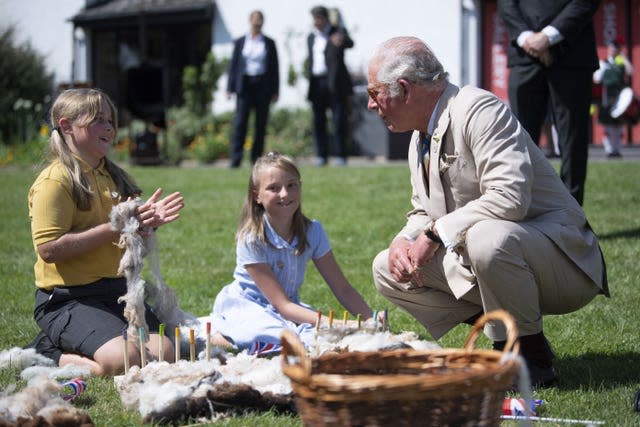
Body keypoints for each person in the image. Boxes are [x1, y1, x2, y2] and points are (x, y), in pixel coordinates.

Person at [366, 37, 609, 388]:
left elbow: (511, 197)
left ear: (404, 89)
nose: (370, 104)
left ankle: (531, 361)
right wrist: (404, 239)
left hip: (566, 262)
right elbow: (422, 210)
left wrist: (433, 234)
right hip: (499, 258)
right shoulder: (419, 137)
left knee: (485, 239)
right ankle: (517, 339)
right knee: (387, 268)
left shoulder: (478, 109)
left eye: (375, 92)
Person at [26, 88, 184, 376]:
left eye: (110, 120)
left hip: (118, 293)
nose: (109, 128)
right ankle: (45, 349)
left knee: (167, 352)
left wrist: (145, 224)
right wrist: (115, 228)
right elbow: (49, 249)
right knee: (120, 361)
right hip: (69, 298)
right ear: (66, 126)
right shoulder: (55, 181)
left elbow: (126, 237)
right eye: (98, 120)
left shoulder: (116, 176)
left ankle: (87, 343)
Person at [211, 152, 375, 354]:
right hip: (249, 306)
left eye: (291, 185)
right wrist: (338, 323)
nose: (285, 194)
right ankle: (220, 337)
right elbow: (282, 304)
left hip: (288, 306)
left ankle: (242, 335)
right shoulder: (252, 238)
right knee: (283, 338)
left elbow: (343, 289)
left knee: (315, 338)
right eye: (273, 188)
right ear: (257, 196)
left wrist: (371, 319)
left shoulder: (313, 231)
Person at [498, 0, 600, 205]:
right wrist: (529, 39)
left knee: (573, 139)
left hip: (573, 52)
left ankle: (571, 218)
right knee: (520, 140)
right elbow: (507, 3)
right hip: (524, 56)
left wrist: (548, 37)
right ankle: (525, 211)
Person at [227, 10, 279, 168]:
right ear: (250, 21)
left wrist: (276, 90)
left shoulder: (269, 43)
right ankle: (236, 159)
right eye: (255, 20)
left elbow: (275, 68)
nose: (257, 23)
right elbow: (234, 66)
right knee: (240, 123)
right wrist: (230, 87)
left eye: (260, 20)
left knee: (260, 124)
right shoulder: (240, 42)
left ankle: (256, 160)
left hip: (262, 85)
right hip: (245, 86)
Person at [306, 6, 354, 166]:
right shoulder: (311, 37)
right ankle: (321, 156)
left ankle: (341, 156)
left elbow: (350, 43)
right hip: (317, 82)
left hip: (335, 83)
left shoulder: (337, 31)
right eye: (314, 19)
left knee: (338, 120)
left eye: (318, 18)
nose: (316, 22)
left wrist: (341, 39)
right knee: (318, 121)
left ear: (325, 18)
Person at [592, 37, 633, 158]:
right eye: (611, 48)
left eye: (616, 48)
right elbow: (596, 79)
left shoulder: (621, 63)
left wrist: (624, 58)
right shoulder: (603, 63)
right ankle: (609, 150)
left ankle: (617, 149)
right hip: (607, 97)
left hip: (620, 98)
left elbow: (631, 71)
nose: (613, 50)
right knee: (607, 124)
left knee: (619, 125)